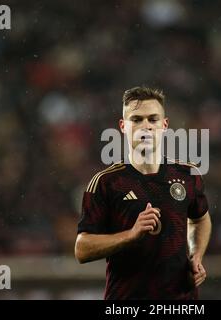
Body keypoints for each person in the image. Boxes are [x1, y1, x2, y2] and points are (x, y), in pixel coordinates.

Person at [75, 86, 212, 299]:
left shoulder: (188, 174)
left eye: (153, 119)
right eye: (136, 119)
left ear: (164, 125)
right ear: (123, 126)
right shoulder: (106, 183)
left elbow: (200, 219)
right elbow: (82, 249)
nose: (145, 126)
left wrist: (196, 256)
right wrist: (131, 234)